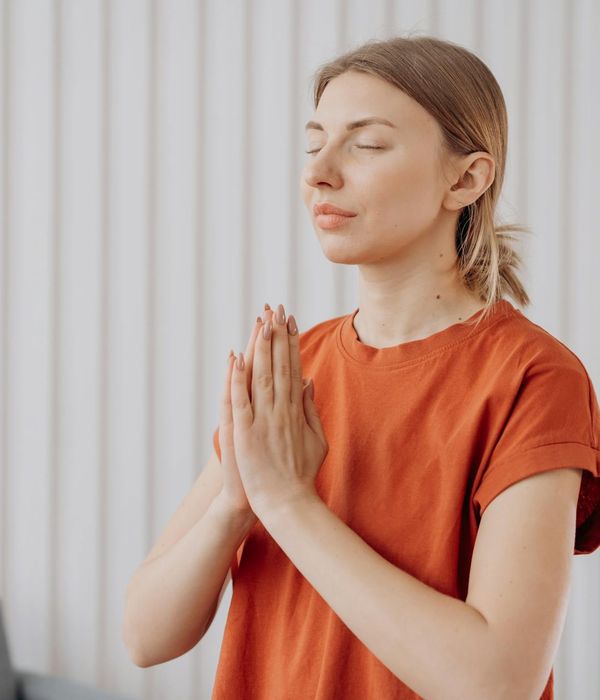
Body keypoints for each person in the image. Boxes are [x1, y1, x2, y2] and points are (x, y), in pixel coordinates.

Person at [209, 35, 600, 699]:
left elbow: (497, 682)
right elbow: (145, 631)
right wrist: (234, 502)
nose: (319, 173)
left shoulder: (534, 377)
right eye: (314, 144)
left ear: (467, 178)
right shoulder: (295, 364)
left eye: (366, 144)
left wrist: (286, 500)